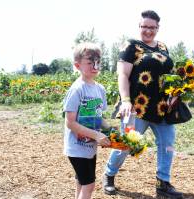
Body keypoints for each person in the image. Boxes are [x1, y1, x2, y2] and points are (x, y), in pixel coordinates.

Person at [103, 10, 184, 199]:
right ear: (139, 27)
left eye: (152, 27)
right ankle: (109, 175)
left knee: (167, 145)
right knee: (126, 145)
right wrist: (125, 101)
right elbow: (122, 75)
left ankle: (162, 184)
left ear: (158, 28)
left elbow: (168, 76)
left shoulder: (163, 46)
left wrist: (175, 92)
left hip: (163, 107)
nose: (148, 31)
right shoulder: (131, 46)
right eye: (144, 27)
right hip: (137, 108)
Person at [63, 42, 111, 199]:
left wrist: (111, 131)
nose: (95, 65)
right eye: (90, 62)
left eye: (98, 62)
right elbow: (70, 123)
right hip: (77, 147)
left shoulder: (100, 89)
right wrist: (97, 135)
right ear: (77, 65)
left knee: (81, 182)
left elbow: (99, 117)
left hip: (90, 147)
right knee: (89, 185)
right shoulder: (77, 89)